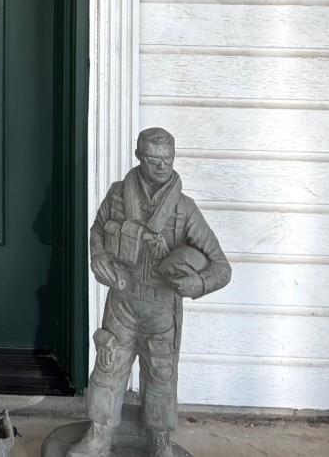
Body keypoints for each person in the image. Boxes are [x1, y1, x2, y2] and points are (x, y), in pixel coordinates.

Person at [70, 127, 230, 457]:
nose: (162, 167)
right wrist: (98, 256)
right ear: (139, 157)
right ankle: (99, 433)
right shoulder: (117, 196)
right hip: (123, 302)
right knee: (108, 366)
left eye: (167, 160)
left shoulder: (184, 210)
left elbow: (221, 267)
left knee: (161, 374)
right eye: (154, 160)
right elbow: (98, 229)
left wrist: (196, 284)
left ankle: (158, 438)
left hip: (162, 307)